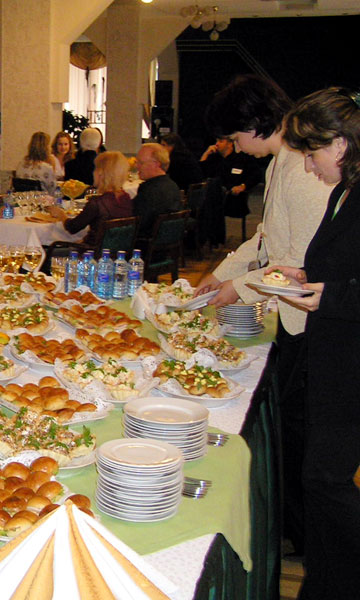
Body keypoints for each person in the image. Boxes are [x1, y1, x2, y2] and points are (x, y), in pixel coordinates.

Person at [194, 75, 332, 558]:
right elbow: (263, 241)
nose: (234, 147)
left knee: (301, 435)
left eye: (235, 136)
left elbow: (299, 262)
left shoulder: (301, 170)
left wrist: (239, 287)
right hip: (293, 317)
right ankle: (294, 528)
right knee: (292, 431)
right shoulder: (280, 164)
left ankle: (309, 538)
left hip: (312, 321)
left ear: (256, 123)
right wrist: (221, 274)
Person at [264, 87, 360, 600]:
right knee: (320, 478)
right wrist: (304, 275)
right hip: (331, 353)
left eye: (312, 152)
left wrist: (333, 295)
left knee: (327, 480)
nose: (307, 165)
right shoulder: (344, 191)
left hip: (350, 360)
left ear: (340, 145)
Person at [48, 151, 133, 246]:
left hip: (92, 252)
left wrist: (61, 214)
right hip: (117, 251)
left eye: (95, 169)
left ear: (101, 174)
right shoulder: (126, 198)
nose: (93, 173)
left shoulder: (97, 203)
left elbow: (72, 227)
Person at [200, 136, 263, 219]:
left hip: (233, 198)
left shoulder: (242, 159)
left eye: (220, 141)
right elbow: (200, 174)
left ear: (230, 144)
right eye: (216, 141)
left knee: (206, 207)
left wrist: (243, 186)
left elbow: (257, 175)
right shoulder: (215, 158)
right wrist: (206, 154)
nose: (216, 144)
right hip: (214, 196)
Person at [132, 143, 182, 238]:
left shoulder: (150, 192)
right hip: (166, 239)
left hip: (145, 241)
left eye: (141, 163)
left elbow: (138, 224)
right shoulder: (172, 185)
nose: (136, 166)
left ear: (156, 164)